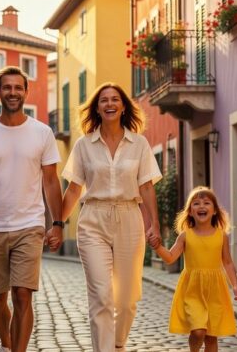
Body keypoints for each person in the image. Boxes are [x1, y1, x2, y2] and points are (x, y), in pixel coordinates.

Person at [0, 66, 64, 352]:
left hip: (30, 226)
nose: (13, 92)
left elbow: (51, 181)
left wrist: (57, 224)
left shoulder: (42, 133)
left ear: (26, 92)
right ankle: (7, 343)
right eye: (7, 87)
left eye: (18, 87)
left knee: (22, 295)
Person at [60, 82, 162, 352]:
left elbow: (146, 187)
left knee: (127, 300)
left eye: (115, 99)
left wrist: (155, 225)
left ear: (124, 106)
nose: (109, 104)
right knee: (101, 296)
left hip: (130, 218)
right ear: (97, 108)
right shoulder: (84, 145)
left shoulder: (139, 144)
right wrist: (58, 224)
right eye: (103, 100)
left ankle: (117, 344)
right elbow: (73, 189)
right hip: (93, 220)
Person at [151, 186, 237, 352]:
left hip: (215, 290)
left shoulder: (221, 236)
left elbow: (227, 262)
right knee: (198, 331)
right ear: (190, 212)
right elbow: (170, 257)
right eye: (196, 203)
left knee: (211, 337)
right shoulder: (185, 235)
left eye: (206, 203)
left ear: (214, 210)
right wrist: (158, 247)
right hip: (192, 290)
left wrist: (235, 284)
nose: (201, 206)